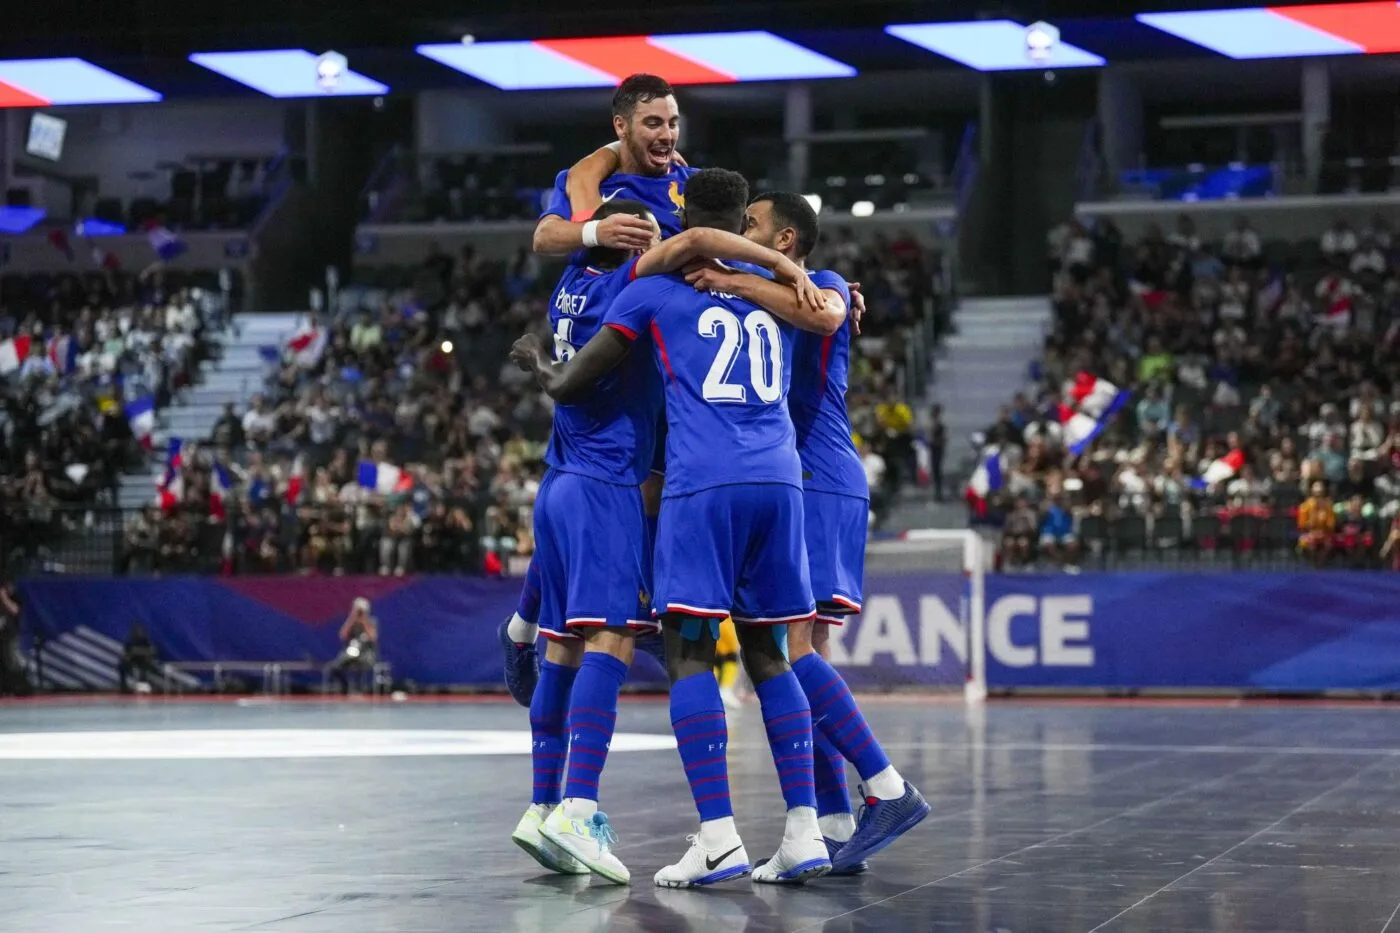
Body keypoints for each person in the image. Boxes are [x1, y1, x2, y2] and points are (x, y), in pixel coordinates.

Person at [513, 168, 846, 887]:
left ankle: (720, 837)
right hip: (780, 485)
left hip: (704, 490)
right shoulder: (789, 298)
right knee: (767, 652)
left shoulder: (656, 291)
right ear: (743, 226)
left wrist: (540, 360)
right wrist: (793, 274)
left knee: (691, 649)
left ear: (684, 217)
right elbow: (824, 314)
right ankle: (803, 830)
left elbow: (575, 380)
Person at [692, 190, 928, 874]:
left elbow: (823, 315)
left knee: (793, 650)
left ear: (786, 239)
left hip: (819, 479)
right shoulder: (769, 295)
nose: (743, 232)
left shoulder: (816, 286)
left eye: (754, 226)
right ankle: (831, 820)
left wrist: (735, 275)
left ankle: (887, 786)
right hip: (804, 481)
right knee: (792, 650)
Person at [499, 73, 700, 708]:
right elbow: (544, 236)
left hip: (659, 364)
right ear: (621, 127)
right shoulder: (595, 176)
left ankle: (548, 622)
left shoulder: (682, 179)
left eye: (671, 122)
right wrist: (595, 231)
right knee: (602, 495)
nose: (666, 134)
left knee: (653, 484)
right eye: (653, 124)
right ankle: (534, 628)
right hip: (608, 354)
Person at [326, 598, 378, 694]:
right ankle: (345, 687)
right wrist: (351, 619)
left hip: (366, 653)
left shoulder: (371, 622)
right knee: (335, 667)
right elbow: (343, 635)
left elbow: (372, 637)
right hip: (351, 653)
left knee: (360, 665)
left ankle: (359, 689)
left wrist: (364, 621)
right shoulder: (351, 622)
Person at [118, 622, 159, 694]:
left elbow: (152, 651)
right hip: (132, 660)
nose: (139, 633)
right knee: (122, 666)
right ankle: (123, 687)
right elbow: (127, 653)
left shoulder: (146, 642)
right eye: (136, 631)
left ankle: (143, 686)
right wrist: (129, 656)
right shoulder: (129, 642)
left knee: (146, 666)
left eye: (140, 631)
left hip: (143, 661)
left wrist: (138, 651)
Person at [0, 583, 21, 697]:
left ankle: (15, 688)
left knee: (11, 660)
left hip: (9, 634)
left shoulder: (15, 596)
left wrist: (4, 598)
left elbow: (15, 610)